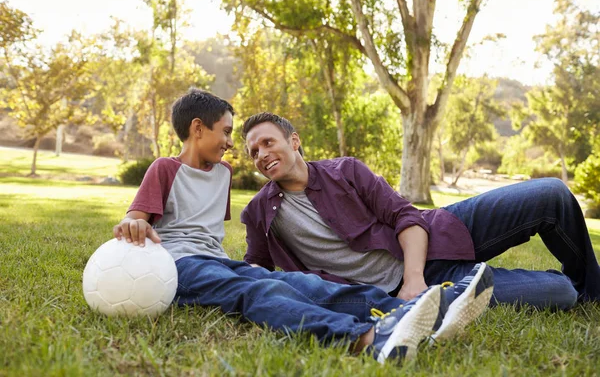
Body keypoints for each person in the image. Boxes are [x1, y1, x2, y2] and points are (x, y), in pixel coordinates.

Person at [111, 89, 494, 364]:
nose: (231, 144)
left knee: (300, 284)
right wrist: (132, 224)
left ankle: (410, 311)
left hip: (215, 261)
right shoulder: (165, 168)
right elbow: (136, 217)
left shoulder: (222, 174)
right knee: (254, 292)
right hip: (177, 265)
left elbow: (213, 234)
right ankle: (366, 337)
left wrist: (250, 265)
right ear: (197, 129)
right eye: (225, 132)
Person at [241, 112, 600, 310]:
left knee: (550, 193)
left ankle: (594, 290)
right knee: (561, 293)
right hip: (416, 290)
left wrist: (414, 277)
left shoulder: (345, 171)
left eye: (267, 142)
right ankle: (574, 289)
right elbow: (256, 267)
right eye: (253, 151)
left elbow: (406, 217)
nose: (261, 154)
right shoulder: (260, 211)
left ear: (294, 141)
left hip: (440, 234)